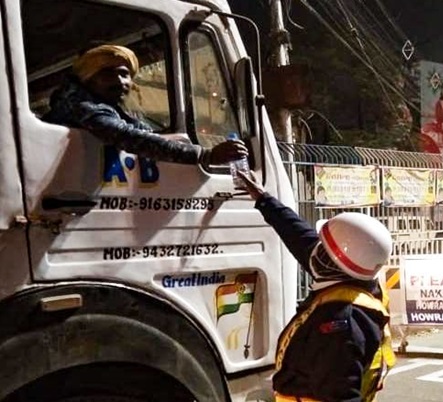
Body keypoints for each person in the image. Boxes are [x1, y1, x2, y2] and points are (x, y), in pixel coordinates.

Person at [235, 170, 396, 402]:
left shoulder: (342, 324)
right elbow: (298, 235)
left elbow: (341, 395)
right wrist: (263, 199)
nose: (314, 249)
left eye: (322, 248)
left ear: (332, 262)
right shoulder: (354, 281)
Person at [43, 44, 246, 166]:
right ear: (88, 78)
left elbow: (140, 131)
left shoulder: (107, 104)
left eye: (124, 74)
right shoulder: (81, 104)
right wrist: (206, 155)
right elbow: (126, 136)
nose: (120, 82)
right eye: (107, 74)